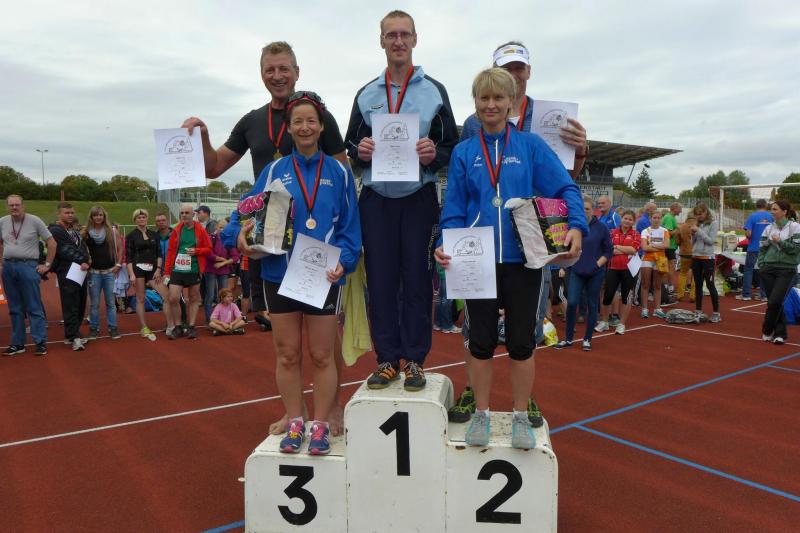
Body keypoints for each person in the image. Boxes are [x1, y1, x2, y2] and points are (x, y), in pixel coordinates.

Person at [435, 68, 586, 448]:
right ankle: (482, 414)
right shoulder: (464, 152)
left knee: (522, 342)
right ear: (475, 102)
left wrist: (577, 225)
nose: (491, 105)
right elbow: (454, 208)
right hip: (477, 259)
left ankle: (520, 415)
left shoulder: (530, 146)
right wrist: (445, 242)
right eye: (484, 98)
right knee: (480, 341)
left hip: (525, 259)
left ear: (511, 103)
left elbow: (566, 187)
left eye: (498, 98)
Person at [182, 40, 347, 354]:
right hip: (272, 244)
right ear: (261, 75)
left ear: (297, 72)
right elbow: (214, 167)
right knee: (286, 348)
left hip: (316, 243)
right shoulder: (252, 121)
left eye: (284, 68)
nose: (277, 75)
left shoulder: (316, 117)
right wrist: (203, 138)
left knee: (325, 344)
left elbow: (342, 178)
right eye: (270, 70)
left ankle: (333, 390)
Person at [228, 91, 361, 455]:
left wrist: (345, 261)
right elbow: (244, 213)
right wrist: (237, 236)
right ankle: (295, 421)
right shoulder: (274, 171)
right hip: (279, 273)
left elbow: (350, 228)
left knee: (321, 355)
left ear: (321, 127)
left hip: (323, 275)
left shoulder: (339, 172)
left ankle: (320, 425)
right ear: (288, 128)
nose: (305, 127)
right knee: (287, 354)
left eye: (311, 121)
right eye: (298, 121)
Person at [345, 9, 459, 392]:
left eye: (404, 34)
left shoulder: (434, 91)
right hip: (376, 199)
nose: (398, 41)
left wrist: (434, 154)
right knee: (380, 281)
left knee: (417, 280)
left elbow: (451, 145)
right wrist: (359, 151)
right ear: (381, 40)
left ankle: (414, 360)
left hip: (418, 198)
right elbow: (350, 145)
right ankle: (387, 359)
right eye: (391, 34)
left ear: (414, 39)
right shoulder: (366, 94)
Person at [555, 196, 612, 351]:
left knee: (592, 305)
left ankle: (587, 339)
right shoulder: (573, 227)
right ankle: (568, 339)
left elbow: (608, 251)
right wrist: (563, 265)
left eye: (587, 208)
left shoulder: (601, 228)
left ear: (593, 210)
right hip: (576, 271)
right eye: (581, 208)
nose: (584, 211)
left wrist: (596, 264)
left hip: (595, 272)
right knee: (572, 302)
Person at [0, 195, 55, 356]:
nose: (14, 207)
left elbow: (52, 243)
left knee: (33, 306)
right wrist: (1, 263)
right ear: (7, 207)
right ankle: (18, 344)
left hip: (28, 265)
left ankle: (40, 342)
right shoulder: (2, 221)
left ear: (23, 206)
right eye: (11, 205)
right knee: (14, 308)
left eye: (17, 204)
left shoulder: (34, 220)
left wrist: (47, 265)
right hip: (8, 267)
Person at [164, 204, 212, 340]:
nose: (184, 215)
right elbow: (170, 251)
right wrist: (167, 271)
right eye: (182, 213)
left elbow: (209, 248)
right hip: (177, 268)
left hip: (194, 268)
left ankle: (191, 327)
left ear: (193, 214)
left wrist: (196, 251)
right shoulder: (176, 230)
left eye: (186, 213)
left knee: (193, 298)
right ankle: (178, 326)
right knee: (173, 298)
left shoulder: (200, 230)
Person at [757, 199, 800, 344]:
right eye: (771, 209)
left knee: (775, 301)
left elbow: (796, 249)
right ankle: (779, 334)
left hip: (786, 270)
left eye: (775, 209)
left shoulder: (795, 227)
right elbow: (762, 248)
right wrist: (762, 265)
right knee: (775, 302)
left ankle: (767, 329)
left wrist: (780, 242)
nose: (772, 212)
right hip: (768, 269)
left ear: (784, 212)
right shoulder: (768, 228)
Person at [49, 202, 90, 351]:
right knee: (70, 304)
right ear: (59, 214)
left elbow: (82, 247)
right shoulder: (55, 230)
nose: (70, 215)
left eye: (72, 212)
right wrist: (84, 260)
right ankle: (74, 337)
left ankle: (71, 334)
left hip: (80, 271)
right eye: (67, 213)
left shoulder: (74, 230)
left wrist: (86, 261)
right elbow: (65, 249)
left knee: (80, 302)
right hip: (67, 271)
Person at [595, 210, 641, 335]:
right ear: (621, 219)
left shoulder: (636, 234)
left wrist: (616, 247)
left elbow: (633, 250)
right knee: (607, 296)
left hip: (629, 269)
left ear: (633, 222)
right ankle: (604, 322)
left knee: (626, 297)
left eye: (630, 219)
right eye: (625, 218)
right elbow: (608, 249)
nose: (627, 221)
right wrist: (623, 250)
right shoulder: (612, 232)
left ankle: (621, 324)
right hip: (613, 268)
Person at [82, 206, 123, 340]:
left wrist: (118, 264)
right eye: (95, 215)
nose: (98, 217)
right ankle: (94, 328)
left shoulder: (112, 231)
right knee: (94, 304)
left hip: (109, 272)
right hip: (94, 273)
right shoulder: (86, 232)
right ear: (91, 217)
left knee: (111, 303)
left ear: (104, 216)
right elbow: (81, 250)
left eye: (100, 215)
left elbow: (120, 248)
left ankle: (113, 328)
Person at [125, 209, 162, 341]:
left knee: (166, 295)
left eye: (143, 217)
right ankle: (144, 327)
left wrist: (158, 269)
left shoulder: (154, 234)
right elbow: (128, 257)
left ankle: (172, 324)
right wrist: (131, 274)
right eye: (139, 217)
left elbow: (159, 253)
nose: (141, 219)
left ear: (147, 218)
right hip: (138, 270)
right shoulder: (131, 236)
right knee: (140, 298)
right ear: (135, 220)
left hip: (153, 270)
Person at [203, 218, 239, 324]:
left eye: (225, 228)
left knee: (223, 295)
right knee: (210, 295)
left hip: (223, 270)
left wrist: (222, 263)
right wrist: (222, 259)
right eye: (221, 227)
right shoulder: (211, 238)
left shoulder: (229, 240)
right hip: (210, 270)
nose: (223, 230)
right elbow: (208, 254)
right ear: (216, 228)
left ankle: (222, 319)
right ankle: (210, 320)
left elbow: (235, 257)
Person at [690, 203, 721, 322]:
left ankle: (716, 312)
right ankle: (698, 311)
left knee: (710, 285)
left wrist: (698, 231)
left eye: (701, 214)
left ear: (706, 212)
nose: (699, 216)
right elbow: (693, 242)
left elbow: (711, 241)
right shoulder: (696, 223)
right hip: (696, 257)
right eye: (697, 214)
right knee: (697, 285)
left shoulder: (713, 223)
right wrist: (692, 234)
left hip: (708, 258)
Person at [740, 199, 773, 301]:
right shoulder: (771, 216)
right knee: (765, 271)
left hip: (754, 247)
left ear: (756, 205)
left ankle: (746, 295)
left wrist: (748, 236)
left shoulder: (752, 216)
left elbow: (748, 233)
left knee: (748, 269)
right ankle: (764, 295)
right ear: (766, 205)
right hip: (767, 247)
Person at [639, 210, 670, 319]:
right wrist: (659, 246)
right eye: (654, 218)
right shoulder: (645, 231)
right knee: (645, 284)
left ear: (661, 219)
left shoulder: (664, 230)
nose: (656, 220)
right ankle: (644, 309)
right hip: (647, 259)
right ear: (650, 219)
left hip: (660, 259)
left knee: (657, 285)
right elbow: (644, 247)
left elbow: (667, 245)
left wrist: (652, 245)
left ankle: (657, 309)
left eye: (658, 218)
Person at [154, 212, 180, 335]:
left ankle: (181, 322)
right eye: (158, 221)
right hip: (161, 271)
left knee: (177, 297)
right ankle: (170, 323)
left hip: (175, 270)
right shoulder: (154, 236)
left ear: (167, 221)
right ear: (155, 223)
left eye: (163, 220)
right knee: (166, 297)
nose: (161, 222)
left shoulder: (175, 234)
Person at [674, 213, 696, 301]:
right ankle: (693, 295)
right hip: (696, 253)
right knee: (696, 275)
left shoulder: (681, 227)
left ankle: (680, 294)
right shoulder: (698, 227)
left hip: (684, 253)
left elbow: (677, 241)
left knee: (683, 273)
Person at [662, 202, 682, 295]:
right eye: (680, 209)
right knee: (670, 267)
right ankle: (668, 287)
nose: (681, 211)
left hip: (670, 246)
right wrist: (678, 230)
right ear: (675, 208)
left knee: (669, 267)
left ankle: (667, 287)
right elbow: (668, 233)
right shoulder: (669, 217)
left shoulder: (671, 217)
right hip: (668, 246)